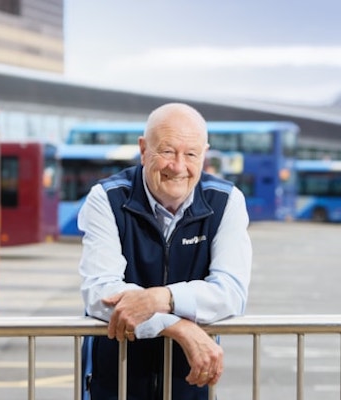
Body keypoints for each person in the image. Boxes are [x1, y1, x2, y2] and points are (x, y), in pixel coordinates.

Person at [78, 102, 252, 400]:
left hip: (189, 384)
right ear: (144, 149)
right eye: (167, 151)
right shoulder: (106, 198)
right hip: (115, 382)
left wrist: (162, 298)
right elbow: (100, 293)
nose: (178, 166)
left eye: (191, 154)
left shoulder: (227, 201)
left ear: (204, 154)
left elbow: (230, 292)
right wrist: (178, 326)